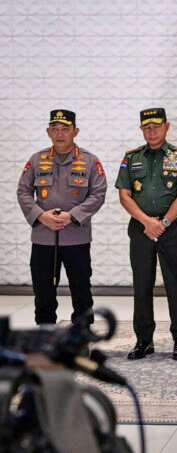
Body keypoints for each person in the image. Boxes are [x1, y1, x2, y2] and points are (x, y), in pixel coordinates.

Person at [116, 108, 177, 360]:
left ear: (166, 126)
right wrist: (147, 222)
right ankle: (143, 341)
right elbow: (124, 195)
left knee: (175, 284)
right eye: (146, 127)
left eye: (156, 126)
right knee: (142, 285)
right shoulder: (131, 158)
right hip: (141, 229)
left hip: (171, 229)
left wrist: (164, 222)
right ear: (141, 129)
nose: (152, 131)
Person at [17, 109, 107, 326]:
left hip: (76, 237)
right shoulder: (37, 160)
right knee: (43, 291)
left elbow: (98, 193)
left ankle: (82, 337)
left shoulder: (89, 161)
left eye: (65, 129)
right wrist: (41, 216)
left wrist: (72, 216)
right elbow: (23, 191)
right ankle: (46, 335)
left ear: (75, 131)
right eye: (55, 129)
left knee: (81, 290)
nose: (60, 134)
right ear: (48, 132)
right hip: (43, 238)